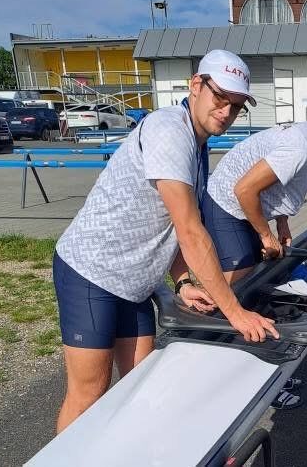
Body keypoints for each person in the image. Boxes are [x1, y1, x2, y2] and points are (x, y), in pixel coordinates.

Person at [52, 50, 279, 433]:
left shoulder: (198, 142)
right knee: (89, 393)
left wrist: (183, 281)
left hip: (135, 283)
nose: (226, 111)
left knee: (141, 386)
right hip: (91, 272)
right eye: (220, 97)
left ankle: (121, 454)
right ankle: (67, 457)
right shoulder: (170, 130)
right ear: (196, 85)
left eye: (237, 105)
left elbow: (172, 225)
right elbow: (190, 232)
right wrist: (236, 313)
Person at [203, 105, 307, 284]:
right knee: (241, 282)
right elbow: (244, 190)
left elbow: (282, 186)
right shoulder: (301, 149)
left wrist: (282, 223)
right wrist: (266, 235)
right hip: (225, 202)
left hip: (243, 204)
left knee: (258, 269)